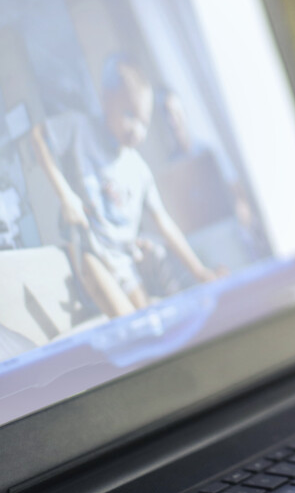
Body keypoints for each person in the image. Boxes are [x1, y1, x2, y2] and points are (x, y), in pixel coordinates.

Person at [31, 53, 224, 318]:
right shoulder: (80, 128)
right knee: (128, 322)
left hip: (125, 262)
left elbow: (164, 223)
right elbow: (38, 136)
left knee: (150, 321)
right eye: (128, 114)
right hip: (91, 251)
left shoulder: (140, 170)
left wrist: (200, 271)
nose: (136, 129)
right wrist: (66, 196)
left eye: (143, 122)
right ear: (106, 100)